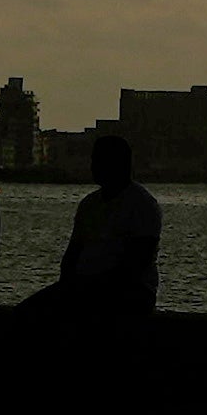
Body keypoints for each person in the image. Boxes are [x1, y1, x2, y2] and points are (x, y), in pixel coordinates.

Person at [26, 130, 160, 320]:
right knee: (27, 311)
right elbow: (72, 254)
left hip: (130, 293)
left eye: (98, 161)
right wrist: (68, 285)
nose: (93, 166)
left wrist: (84, 286)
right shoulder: (89, 204)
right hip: (85, 287)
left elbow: (136, 264)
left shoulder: (142, 205)